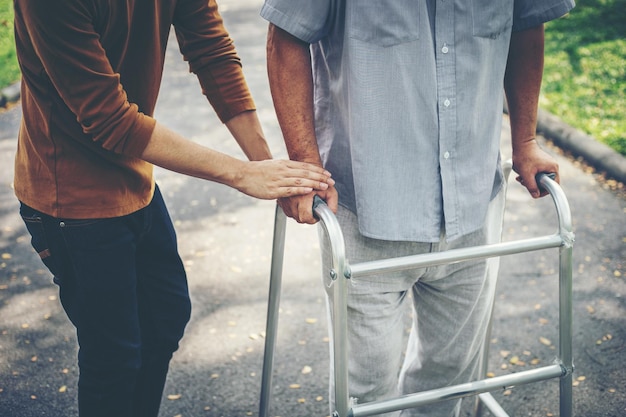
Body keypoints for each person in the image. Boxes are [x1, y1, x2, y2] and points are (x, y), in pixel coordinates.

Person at [12, 1, 334, 416]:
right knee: (114, 356)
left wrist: (267, 169)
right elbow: (110, 118)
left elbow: (212, 53)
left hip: (134, 178)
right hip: (70, 199)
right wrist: (240, 174)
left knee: (164, 320)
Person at [261, 0, 574, 416]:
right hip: (367, 208)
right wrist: (305, 164)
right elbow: (286, 36)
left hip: (472, 206)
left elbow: (526, 25)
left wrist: (525, 142)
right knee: (365, 390)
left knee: (449, 379)